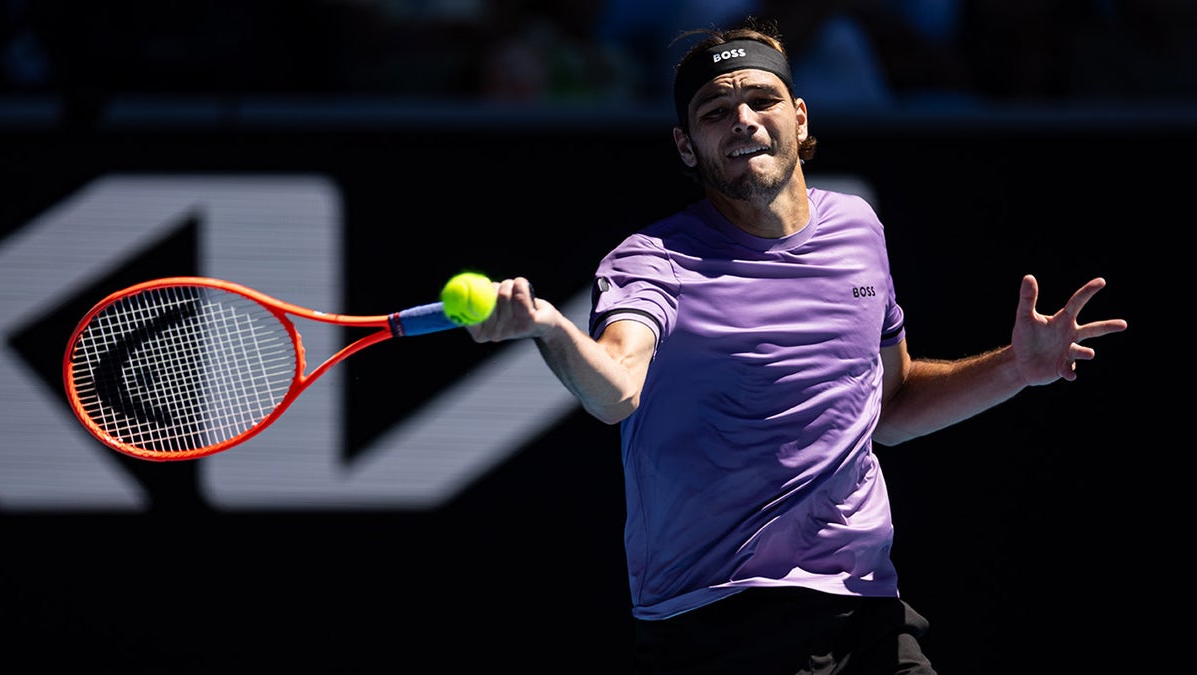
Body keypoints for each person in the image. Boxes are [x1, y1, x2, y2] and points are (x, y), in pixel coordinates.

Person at [464, 17, 1128, 674]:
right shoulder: (651, 261)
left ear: (801, 119)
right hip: (722, 624)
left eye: (761, 99)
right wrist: (551, 329)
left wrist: (1017, 367)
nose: (744, 119)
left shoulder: (858, 228)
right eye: (716, 111)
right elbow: (617, 387)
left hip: (868, 605)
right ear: (687, 146)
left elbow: (888, 405)